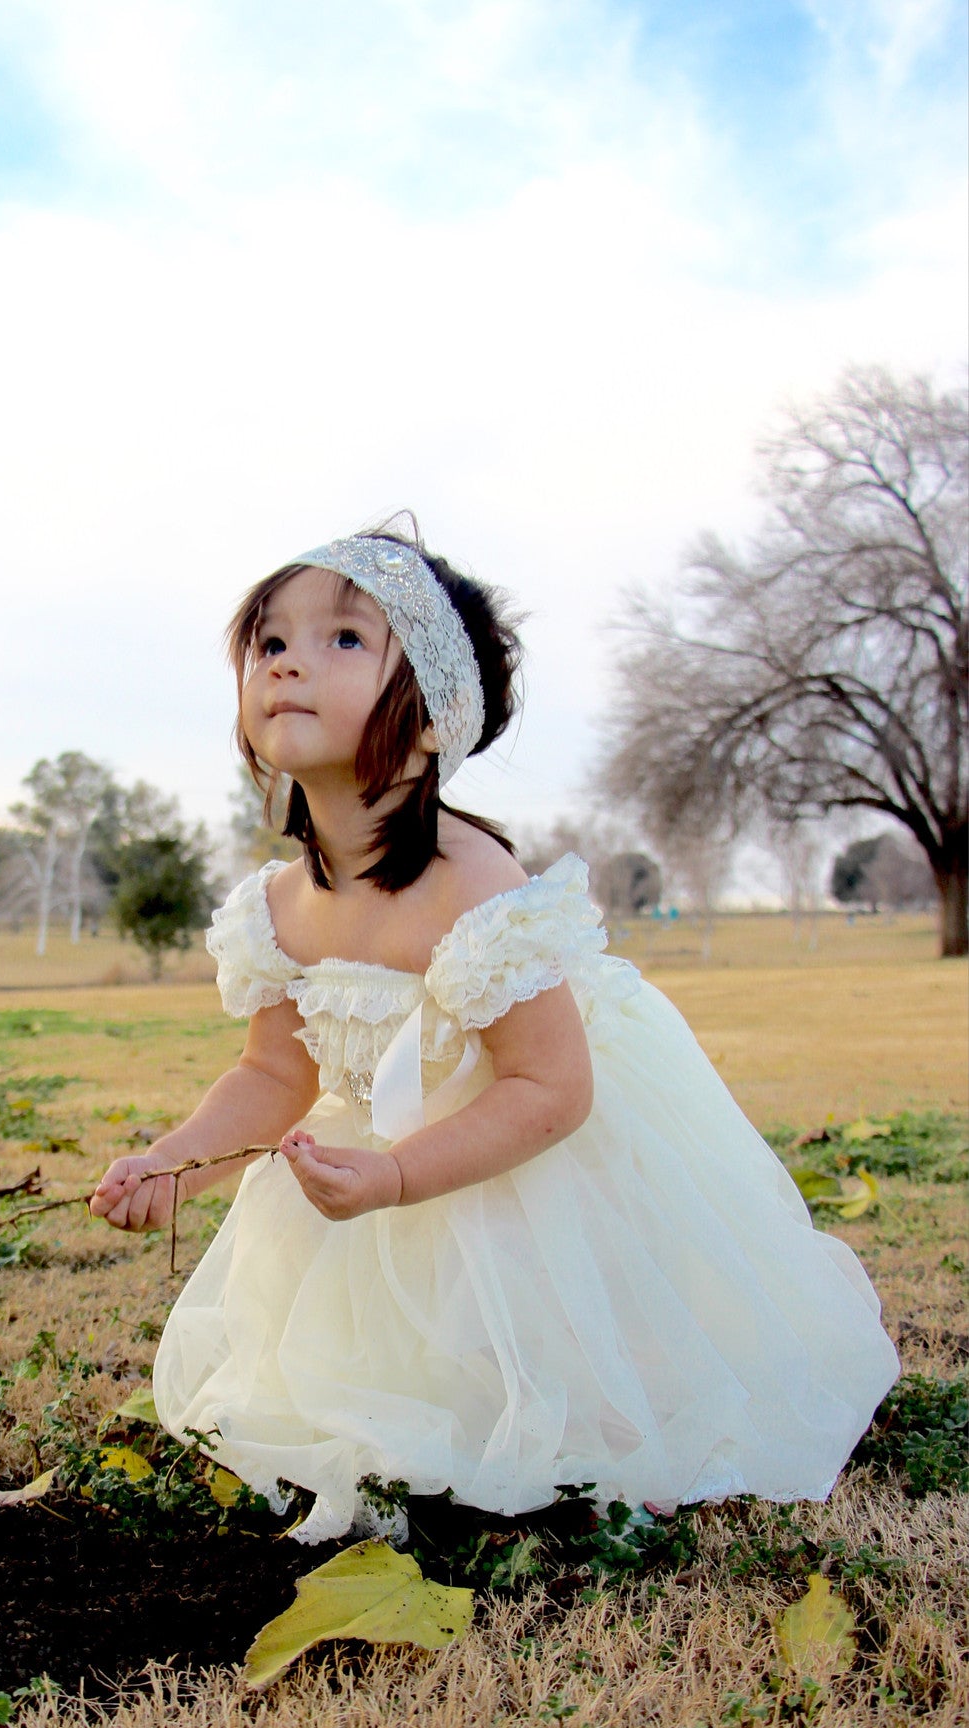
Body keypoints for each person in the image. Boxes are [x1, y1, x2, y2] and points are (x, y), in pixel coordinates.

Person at [89, 526, 900, 1545]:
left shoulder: (473, 886)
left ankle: (606, 1402)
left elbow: (551, 1091)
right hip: (391, 1165)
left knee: (595, 1399)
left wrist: (393, 1178)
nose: (286, 660)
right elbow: (270, 1071)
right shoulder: (279, 906)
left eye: (344, 638)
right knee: (390, 1410)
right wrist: (175, 1161)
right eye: (267, 642)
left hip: (533, 1160)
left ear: (431, 719)